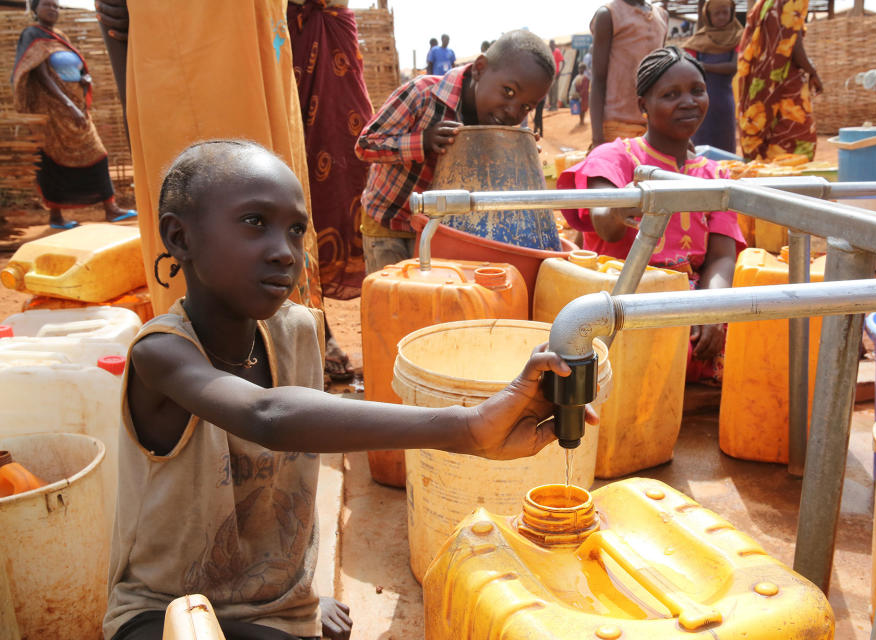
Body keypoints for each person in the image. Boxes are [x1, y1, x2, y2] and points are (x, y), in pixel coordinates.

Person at [105, 139, 592, 640]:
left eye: (296, 231)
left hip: (274, 601)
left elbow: (311, 424)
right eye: (254, 223)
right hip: (166, 612)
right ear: (179, 237)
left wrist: (299, 596)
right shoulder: (160, 353)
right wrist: (466, 427)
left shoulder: (295, 331)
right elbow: (267, 416)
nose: (283, 252)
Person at [94, 0, 323, 319]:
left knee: (273, 188)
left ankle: (295, 326)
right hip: (178, 50)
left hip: (258, 39)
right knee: (214, 200)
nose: (286, 254)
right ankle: (206, 341)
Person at [558, 47, 745, 383]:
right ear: (643, 105)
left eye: (697, 91)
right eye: (670, 94)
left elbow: (721, 256)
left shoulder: (716, 175)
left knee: (762, 340)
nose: (688, 101)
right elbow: (606, 221)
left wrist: (714, 309)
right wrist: (624, 203)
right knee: (648, 354)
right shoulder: (616, 157)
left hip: (693, 301)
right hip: (626, 300)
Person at [354, 30, 556, 273]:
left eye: (526, 106)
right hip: (390, 222)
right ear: (479, 68)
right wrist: (423, 141)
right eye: (508, 92)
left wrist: (517, 157)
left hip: (442, 232)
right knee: (392, 297)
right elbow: (365, 145)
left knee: (430, 299)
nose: (513, 112)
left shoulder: (507, 126)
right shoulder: (422, 95)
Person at [288, 0, 371, 381]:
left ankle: (372, 329)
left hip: (333, 36)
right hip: (281, 32)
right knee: (285, 185)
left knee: (348, 184)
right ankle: (312, 329)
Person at [11, 0, 135, 230]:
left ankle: (111, 209)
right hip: (53, 110)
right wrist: (68, 105)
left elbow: (72, 69)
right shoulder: (32, 35)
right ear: (35, 9)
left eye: (57, 6)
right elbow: (43, 76)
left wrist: (82, 79)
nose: (53, 9)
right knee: (52, 158)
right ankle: (56, 217)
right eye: (47, 5)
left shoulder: (59, 36)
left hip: (75, 105)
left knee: (98, 153)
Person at [734, 0, 823, 161]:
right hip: (784, 84)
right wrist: (813, 72)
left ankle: (765, 184)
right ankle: (786, 185)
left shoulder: (765, 3)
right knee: (797, 142)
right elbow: (791, 42)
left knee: (767, 142)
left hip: (760, 84)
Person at [589, 0, 668, 150]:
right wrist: (598, 140)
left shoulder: (662, 16)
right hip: (616, 126)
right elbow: (598, 79)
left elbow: (661, 73)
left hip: (653, 127)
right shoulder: (608, 15)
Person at [684, 0, 743, 153]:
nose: (722, 17)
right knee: (700, 146)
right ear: (708, 16)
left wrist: (703, 66)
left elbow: (733, 67)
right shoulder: (697, 41)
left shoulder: (738, 37)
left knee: (725, 146)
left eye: (725, 12)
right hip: (699, 103)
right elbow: (687, 68)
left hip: (723, 102)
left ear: (732, 13)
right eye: (717, 13)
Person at [570, 62, 590, 126]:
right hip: (579, 95)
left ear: (584, 70)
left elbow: (585, 88)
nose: (579, 70)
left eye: (581, 68)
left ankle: (582, 121)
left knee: (583, 109)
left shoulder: (585, 78)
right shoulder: (577, 77)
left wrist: (580, 94)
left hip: (583, 96)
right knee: (579, 108)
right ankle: (581, 120)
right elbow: (574, 86)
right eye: (579, 68)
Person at [548, 39, 565, 110]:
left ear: (554, 44)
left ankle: (554, 106)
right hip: (549, 74)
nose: (551, 45)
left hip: (555, 74)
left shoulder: (557, 52)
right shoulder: (548, 52)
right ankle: (551, 105)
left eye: (552, 44)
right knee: (550, 91)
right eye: (550, 44)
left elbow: (563, 62)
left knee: (555, 90)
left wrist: (560, 72)